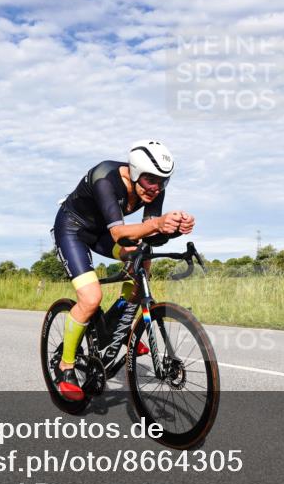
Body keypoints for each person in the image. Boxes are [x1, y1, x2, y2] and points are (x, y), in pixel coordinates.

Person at [51, 140, 195, 401]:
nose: (157, 188)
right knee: (91, 298)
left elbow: (151, 234)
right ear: (136, 171)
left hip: (102, 235)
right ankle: (65, 367)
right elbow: (118, 232)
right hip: (73, 230)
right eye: (151, 180)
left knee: (143, 258)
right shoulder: (104, 177)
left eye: (163, 181)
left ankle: (118, 325)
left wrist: (173, 229)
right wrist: (160, 224)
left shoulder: (154, 190)